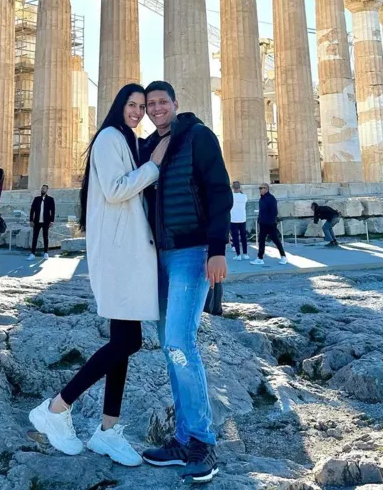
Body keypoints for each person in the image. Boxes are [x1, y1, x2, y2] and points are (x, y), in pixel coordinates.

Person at [29, 84, 170, 465]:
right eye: (132, 105)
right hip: (119, 255)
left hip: (126, 254)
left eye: (142, 107)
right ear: (118, 106)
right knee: (126, 342)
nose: (138, 112)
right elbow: (114, 190)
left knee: (126, 340)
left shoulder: (125, 139)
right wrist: (154, 167)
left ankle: (108, 430)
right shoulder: (110, 137)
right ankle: (56, 407)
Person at [140, 81, 232, 485]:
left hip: (193, 254)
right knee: (169, 346)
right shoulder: (147, 147)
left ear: (175, 104)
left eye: (163, 102)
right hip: (157, 257)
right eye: (150, 104)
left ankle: (202, 441)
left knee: (180, 341)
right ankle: (182, 439)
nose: (157, 109)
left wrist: (218, 248)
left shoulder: (199, 137)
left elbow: (219, 191)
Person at [251, 183, 287, 267]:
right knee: (261, 241)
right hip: (262, 223)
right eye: (259, 188)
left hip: (270, 224)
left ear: (266, 189)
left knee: (275, 240)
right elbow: (261, 211)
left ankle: (283, 256)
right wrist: (259, 219)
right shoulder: (261, 199)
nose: (260, 190)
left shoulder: (271, 198)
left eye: (261, 188)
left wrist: (271, 222)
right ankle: (260, 258)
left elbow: (274, 212)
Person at [27, 185, 55, 261]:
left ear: (47, 190)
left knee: (45, 237)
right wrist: (31, 220)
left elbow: (52, 211)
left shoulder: (50, 199)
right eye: (42, 188)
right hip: (37, 221)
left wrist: (52, 221)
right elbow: (32, 210)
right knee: (34, 237)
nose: (42, 189)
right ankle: (32, 253)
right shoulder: (36, 199)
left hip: (46, 221)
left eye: (44, 188)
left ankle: (46, 253)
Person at [230, 181, 249, 261]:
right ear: (240, 187)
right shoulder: (244, 196)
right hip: (242, 219)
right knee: (243, 237)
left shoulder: (230, 196)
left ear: (233, 188)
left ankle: (238, 254)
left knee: (235, 237)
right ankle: (245, 253)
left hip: (234, 219)